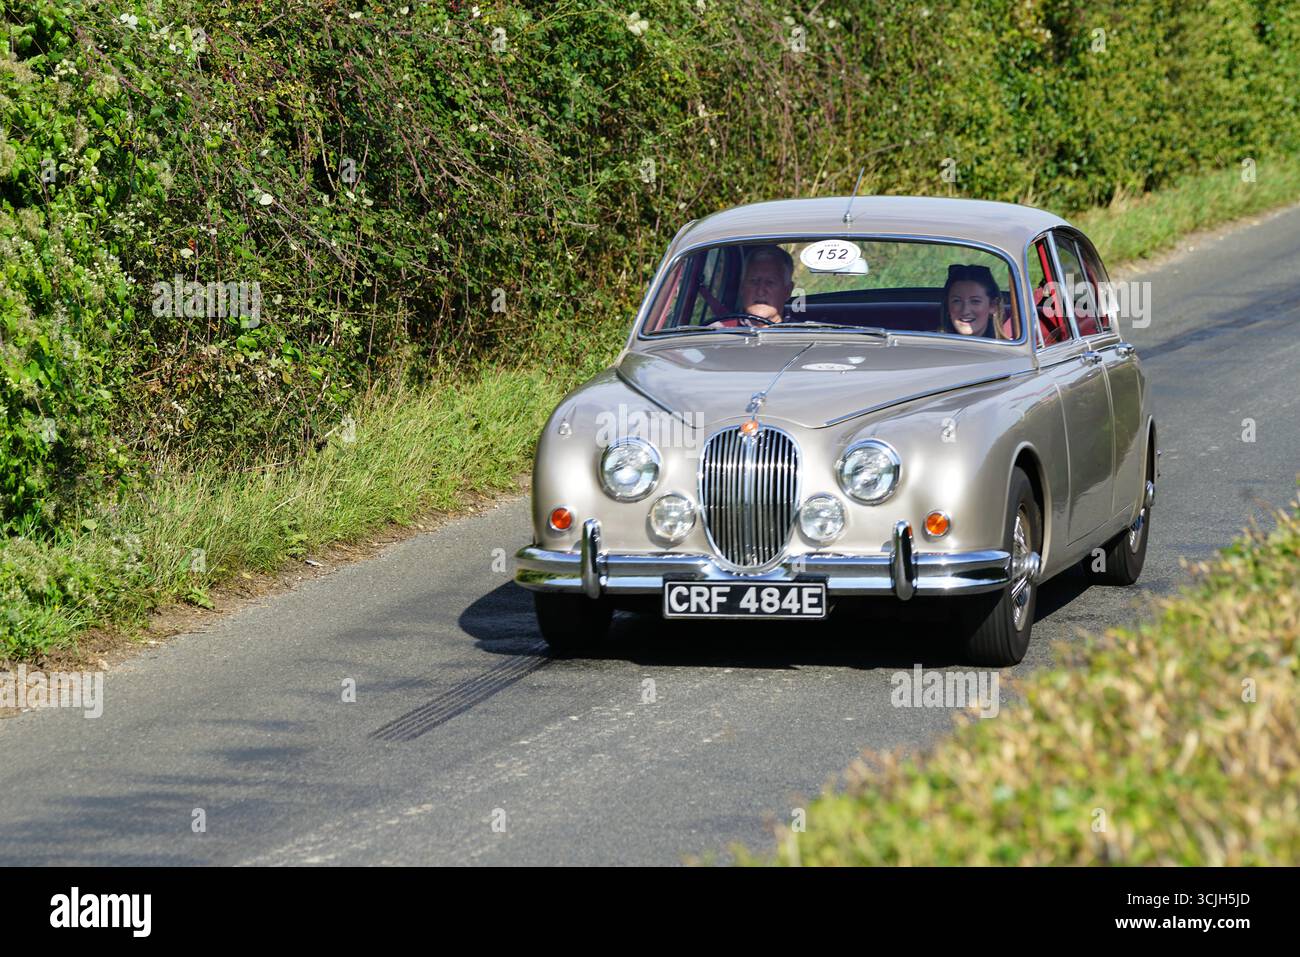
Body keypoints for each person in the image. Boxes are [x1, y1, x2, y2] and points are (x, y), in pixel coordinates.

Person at [940, 263, 1005, 338]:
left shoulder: (1009, 348)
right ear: (948, 305)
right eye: (957, 301)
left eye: (975, 301)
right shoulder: (931, 345)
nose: (965, 311)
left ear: (993, 306)